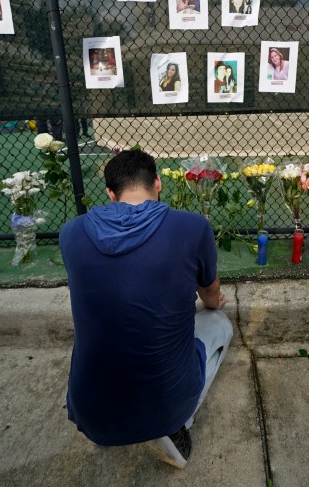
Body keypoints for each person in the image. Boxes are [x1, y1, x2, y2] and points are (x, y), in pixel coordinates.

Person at [61, 149, 233, 469]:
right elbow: (210, 293)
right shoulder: (192, 226)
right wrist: (210, 302)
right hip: (165, 409)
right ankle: (181, 421)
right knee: (219, 321)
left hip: (91, 417)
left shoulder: (70, 232)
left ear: (111, 194)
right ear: (158, 183)